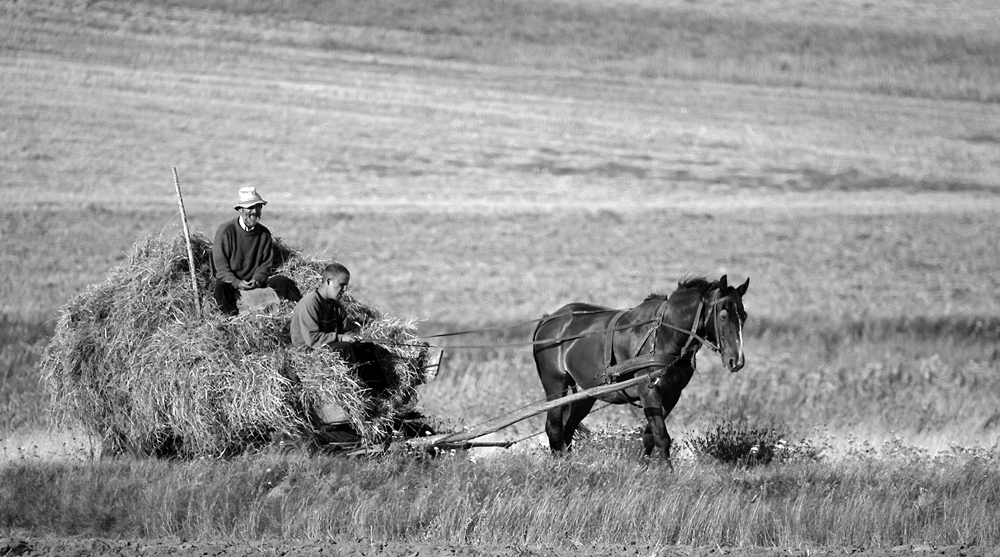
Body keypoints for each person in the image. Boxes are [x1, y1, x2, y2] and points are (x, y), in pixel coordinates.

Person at [290, 263, 386, 393]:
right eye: (341, 285)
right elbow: (312, 340)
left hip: (330, 345)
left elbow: (345, 329)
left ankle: (382, 392)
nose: (344, 290)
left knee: (367, 348)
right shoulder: (309, 304)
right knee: (346, 348)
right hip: (310, 352)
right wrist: (342, 338)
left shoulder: (336, 306)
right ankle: (358, 391)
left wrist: (354, 337)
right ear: (329, 282)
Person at [212, 187, 301, 316]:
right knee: (221, 289)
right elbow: (220, 267)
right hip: (232, 284)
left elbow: (265, 264)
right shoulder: (226, 231)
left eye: (258, 207)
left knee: (283, 282)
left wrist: (257, 279)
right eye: (250, 207)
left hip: (255, 283)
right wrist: (236, 282)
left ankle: (299, 313)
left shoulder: (264, 234)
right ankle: (232, 320)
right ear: (240, 209)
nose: (254, 211)